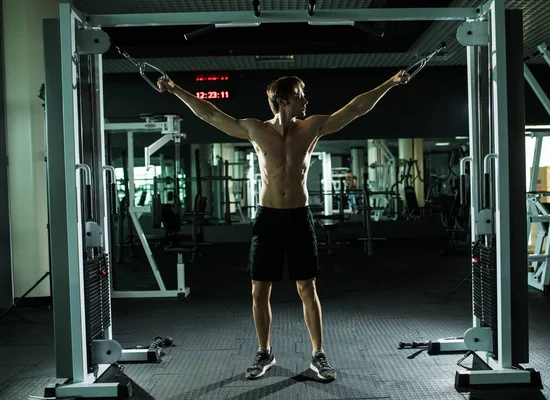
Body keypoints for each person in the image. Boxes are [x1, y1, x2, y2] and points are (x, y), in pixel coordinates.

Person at [157, 70, 410, 381]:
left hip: (299, 217)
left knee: (307, 287)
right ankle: (265, 352)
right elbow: (210, 114)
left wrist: (390, 83)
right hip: (269, 219)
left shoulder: (312, 127)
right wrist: (175, 89)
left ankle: (319, 354)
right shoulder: (255, 129)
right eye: (301, 94)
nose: (306, 100)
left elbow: (355, 108)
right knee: (259, 290)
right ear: (283, 101)